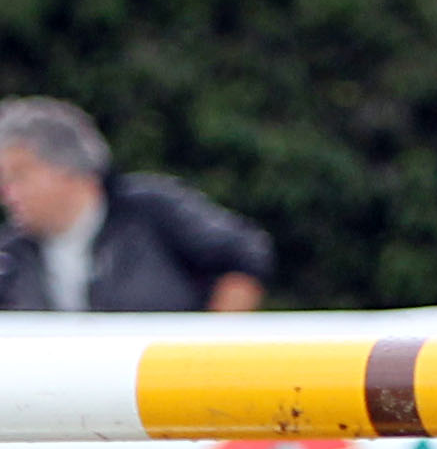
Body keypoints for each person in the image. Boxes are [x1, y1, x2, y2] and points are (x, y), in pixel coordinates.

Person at [0, 98, 271, 312]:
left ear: (70, 169)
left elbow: (243, 258)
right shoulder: (10, 255)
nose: (7, 193)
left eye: (19, 176)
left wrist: (210, 351)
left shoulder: (152, 210)